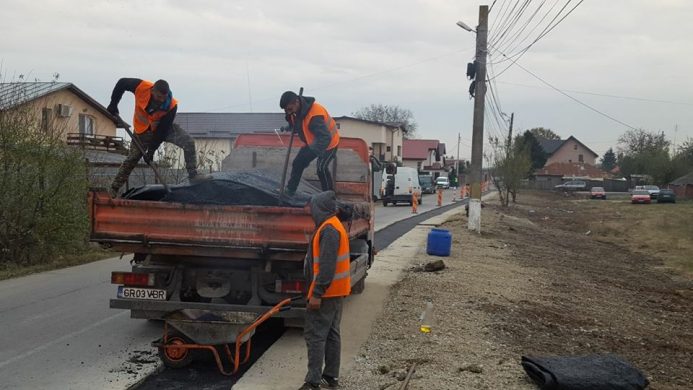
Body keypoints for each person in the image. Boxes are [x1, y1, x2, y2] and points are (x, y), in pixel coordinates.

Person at [106, 78, 208, 197]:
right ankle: (113, 190)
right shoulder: (141, 87)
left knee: (188, 142)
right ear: (152, 91)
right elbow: (122, 83)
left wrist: (151, 151)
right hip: (142, 131)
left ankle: (193, 175)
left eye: (163, 98)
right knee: (131, 160)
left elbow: (162, 131)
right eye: (159, 97)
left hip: (162, 128)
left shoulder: (171, 105)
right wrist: (114, 103)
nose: (161, 100)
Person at [299, 191, 351, 390]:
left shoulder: (329, 230)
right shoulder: (334, 225)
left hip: (326, 293)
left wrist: (317, 293)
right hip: (336, 291)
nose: (311, 211)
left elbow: (327, 267)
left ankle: (312, 382)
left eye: (313, 207)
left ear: (320, 208)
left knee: (315, 335)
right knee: (331, 334)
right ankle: (331, 377)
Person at [279, 91, 339, 196]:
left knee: (321, 168)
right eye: (285, 110)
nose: (288, 112)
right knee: (298, 162)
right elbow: (297, 124)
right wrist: (288, 127)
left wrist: (311, 153)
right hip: (313, 141)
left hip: (329, 143)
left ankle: (329, 196)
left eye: (289, 109)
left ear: (297, 102)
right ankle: (290, 191)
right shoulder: (295, 112)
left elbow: (325, 137)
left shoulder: (314, 115)